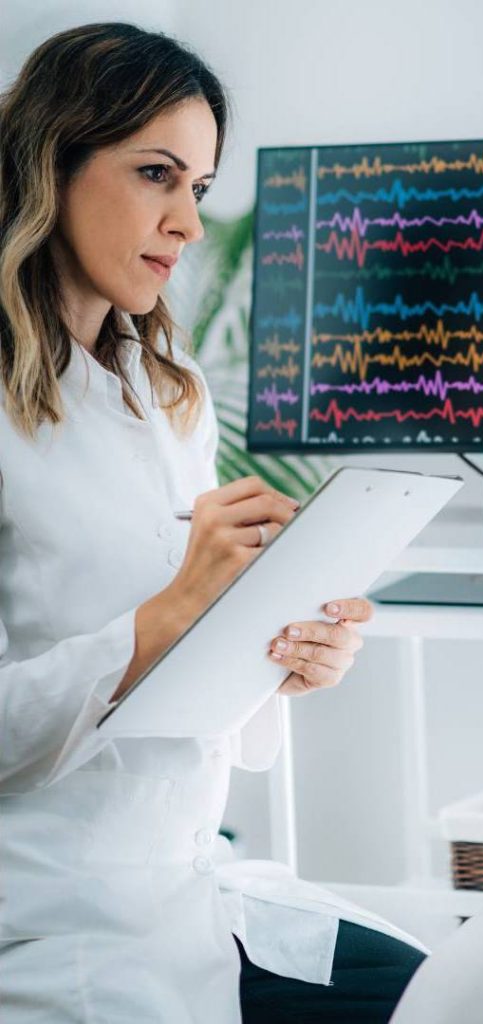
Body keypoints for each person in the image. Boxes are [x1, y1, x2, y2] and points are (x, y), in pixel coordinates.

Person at [0, 23, 424, 1023]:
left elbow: (183, 691)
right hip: (49, 915)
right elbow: (144, 634)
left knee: (450, 990)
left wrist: (280, 651)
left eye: (197, 185)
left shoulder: (167, 389)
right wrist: (173, 611)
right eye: (156, 174)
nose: (188, 223)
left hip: (187, 889)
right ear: (49, 167)